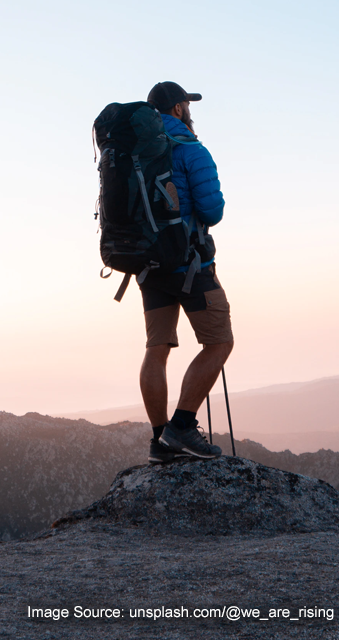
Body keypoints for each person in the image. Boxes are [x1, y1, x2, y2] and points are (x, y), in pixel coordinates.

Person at [141, 81, 234, 463]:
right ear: (178, 109)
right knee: (219, 342)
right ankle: (181, 426)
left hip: (148, 266)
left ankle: (160, 439)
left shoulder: (137, 152)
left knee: (156, 349)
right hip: (191, 264)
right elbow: (212, 212)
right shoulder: (191, 150)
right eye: (186, 104)